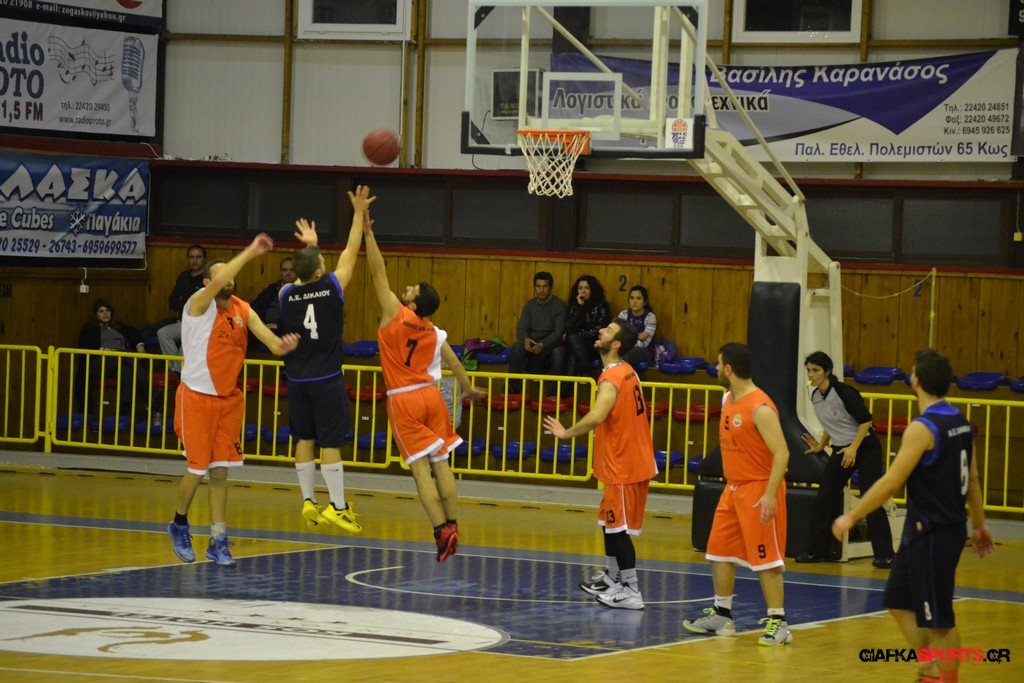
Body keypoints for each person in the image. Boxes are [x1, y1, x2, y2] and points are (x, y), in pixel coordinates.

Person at [833, 349, 995, 683]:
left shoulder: (923, 428)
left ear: (915, 381)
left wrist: (852, 516)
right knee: (896, 601)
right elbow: (974, 480)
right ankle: (931, 668)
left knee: (939, 621)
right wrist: (979, 525)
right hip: (922, 531)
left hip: (935, 533)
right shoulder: (961, 421)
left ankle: (943, 678)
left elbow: (891, 483)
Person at [361, 199, 485, 563]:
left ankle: (440, 531)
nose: (407, 288)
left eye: (412, 290)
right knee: (441, 463)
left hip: (405, 399)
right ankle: (454, 523)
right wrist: (466, 387)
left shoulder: (395, 314)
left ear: (413, 305)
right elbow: (454, 361)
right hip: (433, 397)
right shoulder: (434, 331)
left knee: (420, 472)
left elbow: (377, 272)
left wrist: (368, 234)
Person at [166, 235, 299, 568]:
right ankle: (179, 523)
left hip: (227, 400)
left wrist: (287, 345)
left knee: (221, 472)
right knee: (196, 469)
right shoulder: (198, 304)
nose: (230, 280)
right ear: (208, 282)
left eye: (231, 275)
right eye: (222, 275)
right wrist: (251, 251)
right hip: (196, 397)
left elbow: (272, 344)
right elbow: (220, 280)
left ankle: (218, 539)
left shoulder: (243, 309)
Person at [683, 342, 792, 646]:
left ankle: (779, 622)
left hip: (759, 489)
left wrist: (769, 495)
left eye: (719, 364)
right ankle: (722, 615)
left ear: (729, 369)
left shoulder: (760, 408)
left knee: (766, 559)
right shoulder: (728, 398)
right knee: (718, 552)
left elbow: (782, 453)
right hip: (733, 488)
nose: (716, 369)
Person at [543, 321, 657, 610]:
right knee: (609, 523)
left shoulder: (612, 377)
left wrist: (566, 433)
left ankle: (631, 590)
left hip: (625, 464)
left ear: (616, 344)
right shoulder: (625, 370)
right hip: (623, 460)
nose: (601, 332)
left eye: (608, 331)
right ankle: (612, 579)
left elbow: (597, 415)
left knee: (618, 530)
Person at [279, 188, 372, 535]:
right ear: (320, 271)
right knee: (330, 443)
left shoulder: (285, 294)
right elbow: (351, 250)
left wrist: (310, 250)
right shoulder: (332, 285)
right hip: (327, 379)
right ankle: (338, 506)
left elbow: (302, 276)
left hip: (297, 380)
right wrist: (358, 214)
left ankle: (308, 500)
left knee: (303, 438)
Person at [797, 351, 895, 568]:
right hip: (843, 449)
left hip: (865, 447)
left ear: (827, 371)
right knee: (824, 495)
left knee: (870, 497)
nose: (811, 375)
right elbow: (831, 423)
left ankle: (886, 555)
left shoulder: (844, 392)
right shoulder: (816, 395)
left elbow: (866, 421)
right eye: (809, 370)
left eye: (815, 370)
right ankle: (815, 551)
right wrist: (821, 445)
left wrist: (853, 448)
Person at [76, 299, 148, 417]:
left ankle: (125, 411)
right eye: (101, 311)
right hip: (99, 362)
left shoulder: (119, 327)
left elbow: (133, 333)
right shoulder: (90, 328)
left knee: (126, 371)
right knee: (128, 356)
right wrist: (102, 350)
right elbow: (85, 346)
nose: (105, 313)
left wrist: (140, 345)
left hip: (120, 360)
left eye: (107, 310)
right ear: (95, 314)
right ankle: (148, 393)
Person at [507, 271, 566, 394]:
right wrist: (526, 340)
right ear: (534, 287)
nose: (541, 290)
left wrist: (543, 344)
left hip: (550, 345)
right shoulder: (530, 305)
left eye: (545, 286)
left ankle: (553, 394)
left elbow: (559, 332)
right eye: (538, 286)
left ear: (550, 288)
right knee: (517, 346)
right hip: (533, 344)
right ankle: (513, 389)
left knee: (559, 352)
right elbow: (521, 329)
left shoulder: (559, 305)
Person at [157, 244, 207, 373]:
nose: (194, 260)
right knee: (162, 333)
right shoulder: (184, 277)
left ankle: (177, 372)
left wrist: (185, 301)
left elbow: (205, 305)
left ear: (204, 259)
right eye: (191, 257)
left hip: (201, 324)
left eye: (198, 257)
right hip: (184, 321)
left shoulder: (208, 278)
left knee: (186, 343)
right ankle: (175, 369)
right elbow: (172, 303)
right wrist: (188, 304)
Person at [559, 275, 610, 377]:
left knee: (572, 342)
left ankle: (569, 384)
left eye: (587, 288)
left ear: (592, 290)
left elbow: (600, 329)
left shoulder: (601, 305)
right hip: (576, 345)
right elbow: (568, 326)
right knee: (572, 351)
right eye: (580, 288)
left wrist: (577, 335)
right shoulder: (574, 305)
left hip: (594, 344)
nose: (583, 291)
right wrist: (578, 307)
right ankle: (585, 370)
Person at [615, 285, 657, 367]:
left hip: (645, 352)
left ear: (645, 302)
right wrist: (637, 336)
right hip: (625, 348)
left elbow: (643, 344)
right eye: (632, 298)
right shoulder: (623, 315)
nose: (634, 301)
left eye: (638, 298)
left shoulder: (650, 317)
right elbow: (618, 337)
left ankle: (619, 374)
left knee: (626, 353)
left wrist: (626, 338)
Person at [251, 256, 296, 330]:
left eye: (292, 270)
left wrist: (277, 325)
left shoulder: (299, 291)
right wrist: (260, 322)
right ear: (280, 272)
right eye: (285, 270)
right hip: (265, 327)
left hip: (283, 329)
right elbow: (255, 305)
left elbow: (297, 315)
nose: (288, 273)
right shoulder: (272, 288)